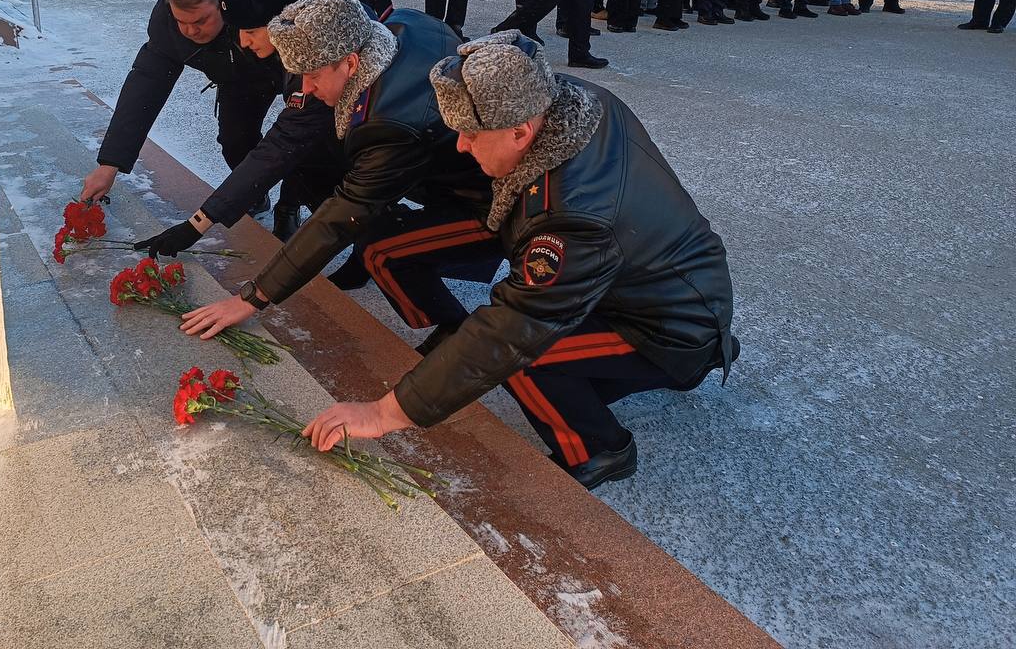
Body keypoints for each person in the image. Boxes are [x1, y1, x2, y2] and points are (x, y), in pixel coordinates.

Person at [297, 32, 739, 491]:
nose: (462, 147)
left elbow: (514, 329)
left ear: (520, 131)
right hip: (663, 282)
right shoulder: (573, 103)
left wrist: (382, 413)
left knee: (519, 358)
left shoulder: (572, 217)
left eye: (470, 134)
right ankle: (651, 371)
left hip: (670, 326)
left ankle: (601, 448)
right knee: (518, 356)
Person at [177, 0, 491, 338]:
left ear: (351, 64)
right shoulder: (402, 25)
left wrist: (251, 298)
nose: (306, 89)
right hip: (451, 171)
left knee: (382, 248)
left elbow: (337, 219)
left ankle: (455, 331)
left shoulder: (389, 123)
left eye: (311, 76)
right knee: (345, 185)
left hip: (492, 200)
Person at [79, 0, 322, 208]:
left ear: (223, 2)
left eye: (201, 20)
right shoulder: (168, 24)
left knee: (301, 143)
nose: (190, 31)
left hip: (293, 64)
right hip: (238, 77)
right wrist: (110, 164)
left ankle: (289, 206)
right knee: (235, 143)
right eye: (181, 21)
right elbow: (145, 86)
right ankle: (254, 196)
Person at [133, 0, 342, 250]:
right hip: (264, 80)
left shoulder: (318, 52)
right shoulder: (272, 19)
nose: (242, 42)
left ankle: (318, 220)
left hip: (389, 136)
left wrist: (198, 225)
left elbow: (286, 142)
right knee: (244, 140)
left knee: (319, 160)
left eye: (251, 32)